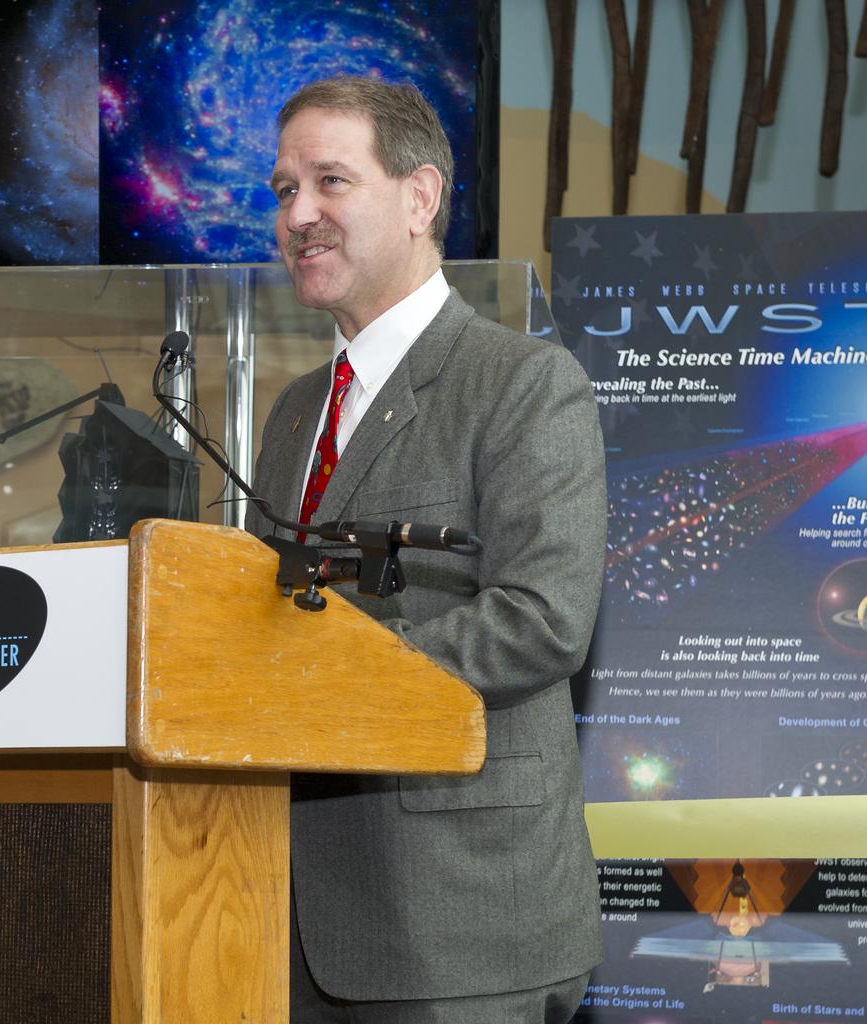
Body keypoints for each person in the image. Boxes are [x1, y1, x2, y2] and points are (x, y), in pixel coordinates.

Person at [245, 76, 606, 1024]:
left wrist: (329, 674)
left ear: (420, 197)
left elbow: (543, 620)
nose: (299, 215)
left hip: (459, 922)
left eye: (330, 181)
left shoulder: (524, 383)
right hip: (284, 920)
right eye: (284, 190)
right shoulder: (291, 415)